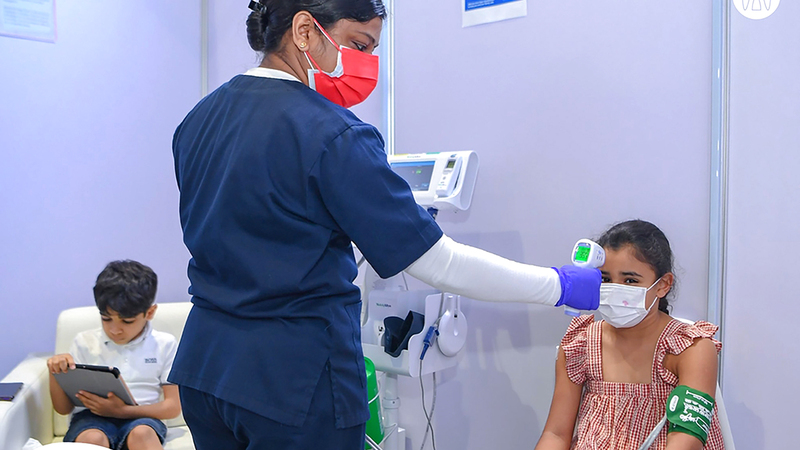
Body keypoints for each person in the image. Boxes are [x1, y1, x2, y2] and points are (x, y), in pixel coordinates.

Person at [168, 1, 602, 449]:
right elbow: (438, 263)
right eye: (359, 45)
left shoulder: (199, 119)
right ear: (304, 30)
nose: (366, 64)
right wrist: (559, 285)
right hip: (292, 379)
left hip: (206, 368)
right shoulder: (333, 133)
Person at [534, 220, 725, 450]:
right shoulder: (580, 344)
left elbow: (688, 440)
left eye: (630, 280)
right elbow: (556, 434)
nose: (615, 288)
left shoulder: (691, 348)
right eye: (605, 279)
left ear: (663, 285)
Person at [47, 260, 181, 450]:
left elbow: (173, 407)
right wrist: (54, 371)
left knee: (142, 434)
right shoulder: (84, 342)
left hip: (143, 417)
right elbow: (63, 409)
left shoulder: (164, 344)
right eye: (106, 319)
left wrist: (122, 411)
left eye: (127, 321)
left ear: (150, 312)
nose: (115, 330)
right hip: (91, 418)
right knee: (92, 438)